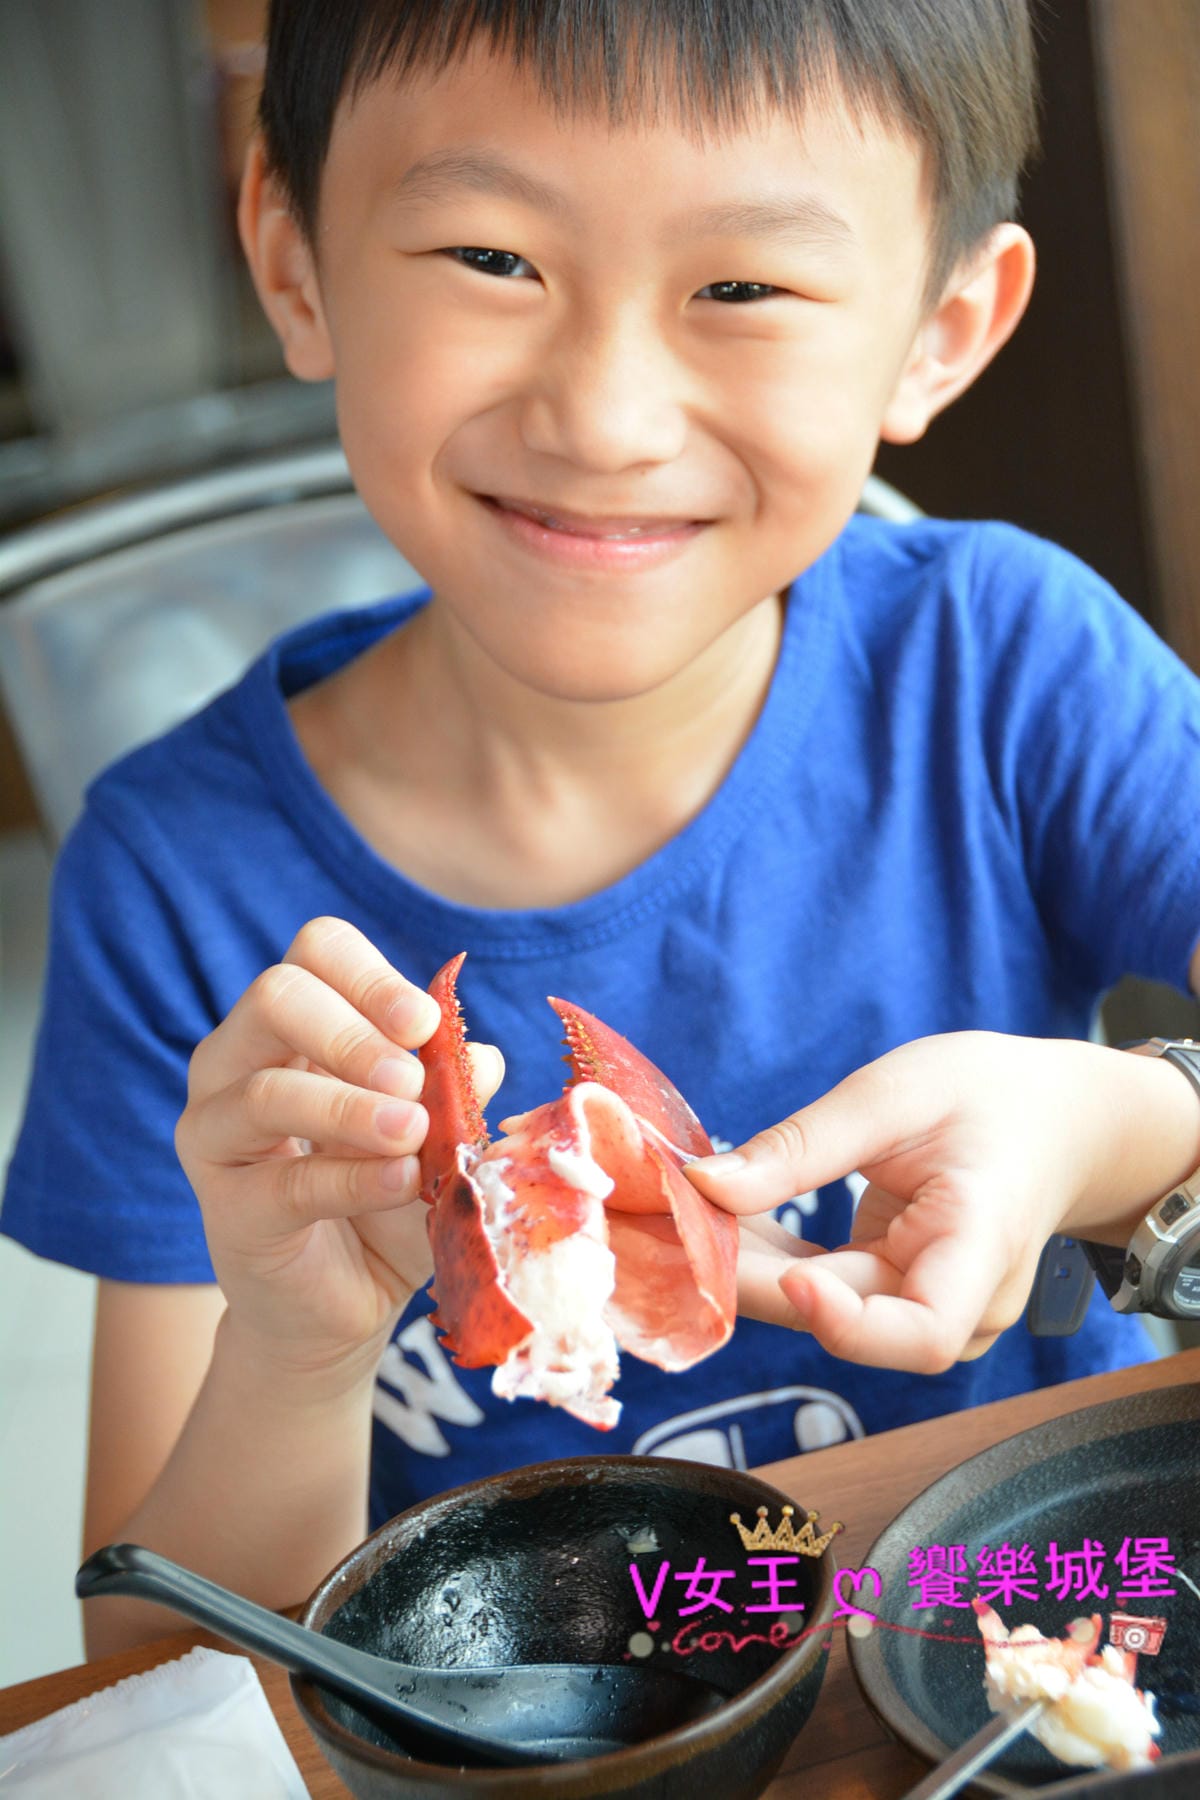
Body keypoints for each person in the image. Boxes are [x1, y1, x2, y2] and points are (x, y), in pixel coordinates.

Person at [4, 0, 1200, 1659]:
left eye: (741, 288)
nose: (605, 415)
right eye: (494, 259)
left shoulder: (1004, 672)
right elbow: (156, 1681)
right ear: (294, 259)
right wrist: (296, 1348)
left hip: (1042, 1654)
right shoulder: (178, 882)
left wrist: (1129, 1127)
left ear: (939, 329)